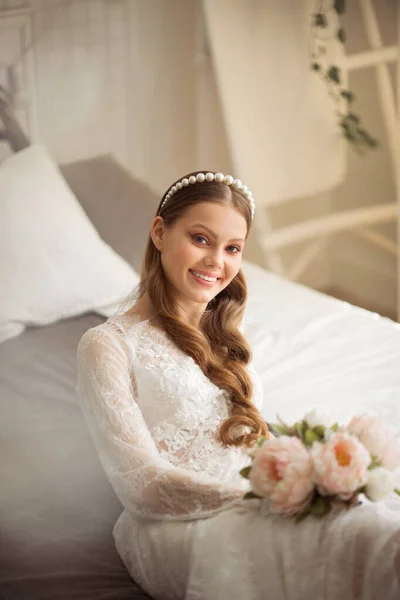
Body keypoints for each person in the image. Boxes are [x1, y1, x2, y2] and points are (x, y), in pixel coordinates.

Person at [76, 171, 400, 600]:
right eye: (201, 239)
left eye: (232, 248)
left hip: (256, 499)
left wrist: (305, 475)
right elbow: (143, 487)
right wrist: (266, 497)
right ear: (159, 232)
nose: (216, 262)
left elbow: (243, 438)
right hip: (175, 529)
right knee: (357, 538)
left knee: (373, 528)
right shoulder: (106, 345)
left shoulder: (224, 332)